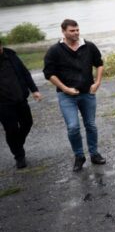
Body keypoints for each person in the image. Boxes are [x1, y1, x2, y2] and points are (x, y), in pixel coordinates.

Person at [43, 19, 105, 172]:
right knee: (73, 127)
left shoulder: (89, 46)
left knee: (90, 124)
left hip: (87, 93)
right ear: (63, 31)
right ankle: (79, 156)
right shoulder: (55, 50)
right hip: (66, 96)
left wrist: (97, 83)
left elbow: (99, 63)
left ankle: (94, 154)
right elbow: (48, 74)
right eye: (72, 31)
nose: (76, 33)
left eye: (77, 30)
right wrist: (65, 89)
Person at [0, 39, 42, 168]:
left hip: (20, 98)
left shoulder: (11, 56)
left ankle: (17, 144)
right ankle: (19, 156)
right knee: (11, 129)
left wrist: (34, 90)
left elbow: (25, 73)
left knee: (27, 122)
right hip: (3, 104)